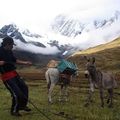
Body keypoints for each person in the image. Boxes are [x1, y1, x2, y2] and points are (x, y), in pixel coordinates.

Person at [0, 36, 32, 116]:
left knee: (24, 87)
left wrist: (25, 63)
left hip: (14, 73)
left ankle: (23, 106)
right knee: (16, 93)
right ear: (7, 44)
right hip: (6, 76)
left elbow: (15, 60)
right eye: (11, 45)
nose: (12, 46)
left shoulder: (10, 51)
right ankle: (14, 111)